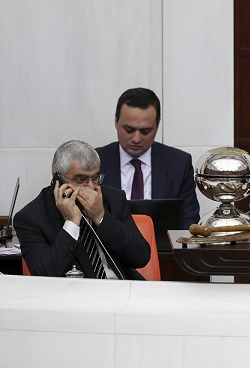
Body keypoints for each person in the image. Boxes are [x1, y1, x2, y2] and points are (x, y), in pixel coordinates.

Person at [15, 140, 150, 279]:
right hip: (75, 291)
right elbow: (44, 277)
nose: (91, 187)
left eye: (95, 177)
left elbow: (141, 257)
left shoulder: (113, 199)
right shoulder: (31, 218)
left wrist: (100, 217)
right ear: (56, 178)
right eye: (80, 179)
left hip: (123, 287)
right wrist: (71, 223)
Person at [97, 87, 200, 227]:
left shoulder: (179, 164)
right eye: (129, 130)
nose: (136, 139)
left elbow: (189, 221)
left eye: (145, 131)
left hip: (163, 241)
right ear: (116, 121)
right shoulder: (95, 163)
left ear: (157, 125)